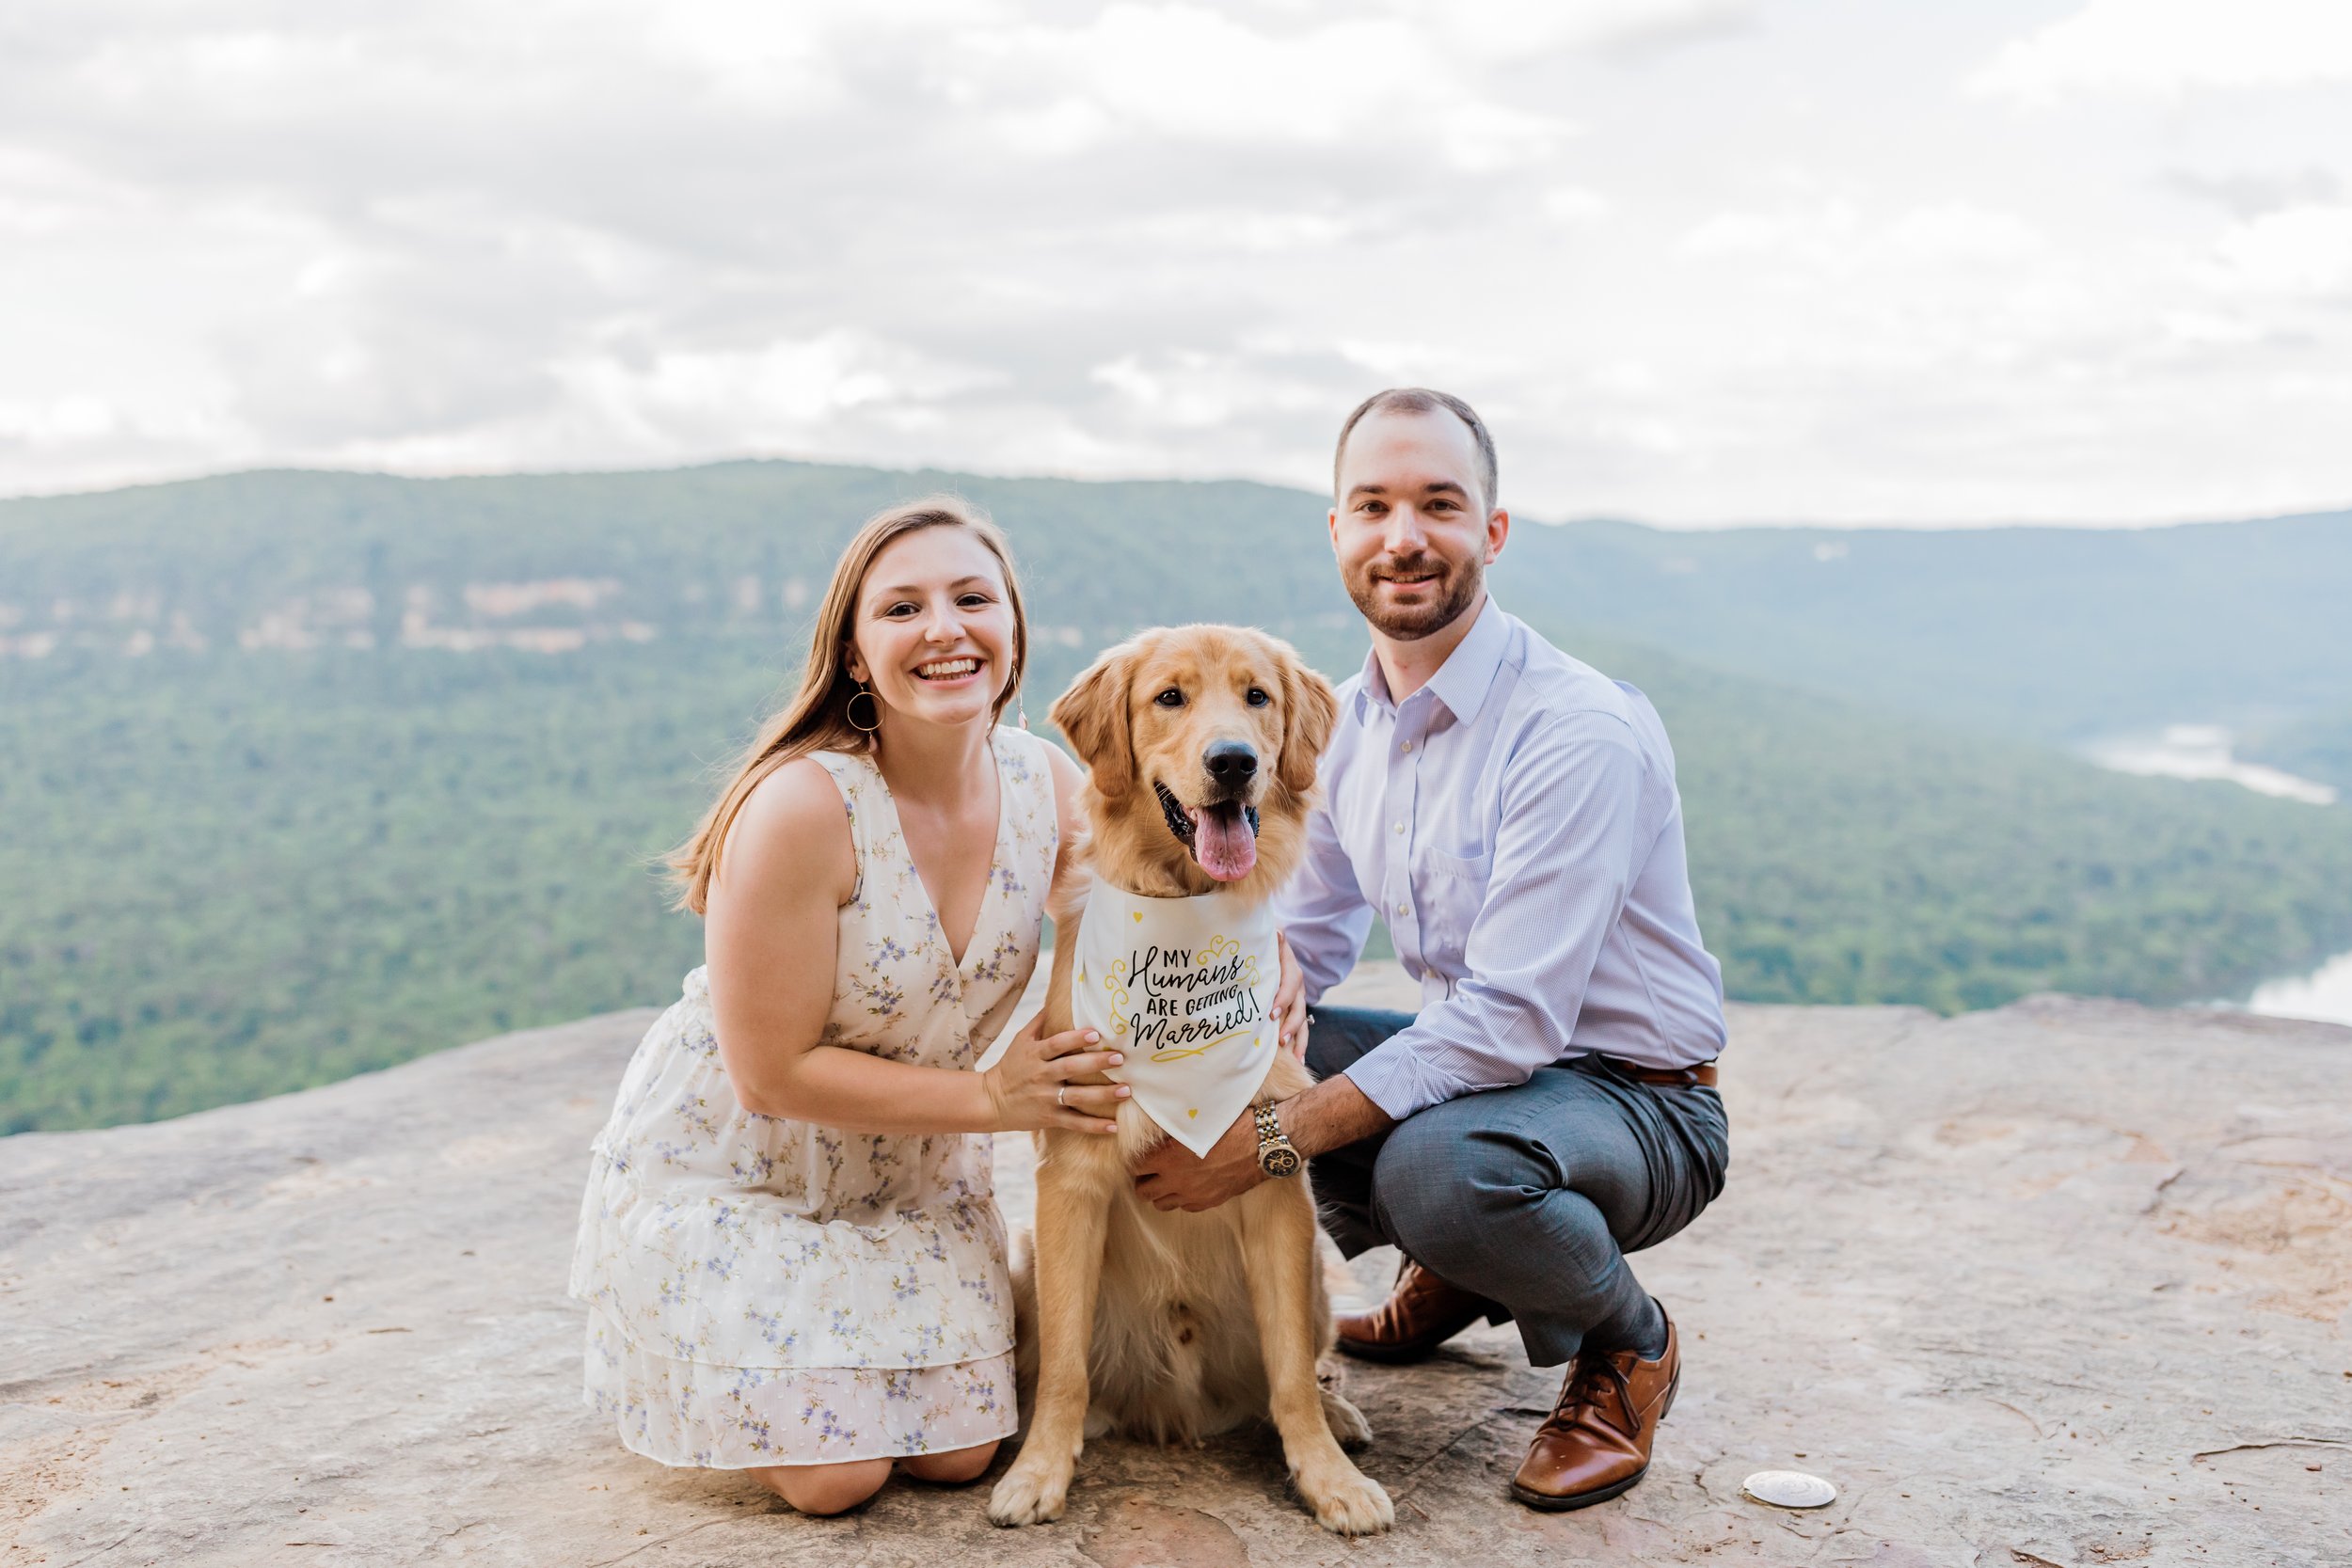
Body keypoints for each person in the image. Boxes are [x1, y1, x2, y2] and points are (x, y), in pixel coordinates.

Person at [568, 497, 1307, 1516]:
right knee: (839, 1476)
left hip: (911, 1175)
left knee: (961, 1451)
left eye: (971, 598)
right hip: (753, 1168)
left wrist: (1268, 971)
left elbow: (1144, 915)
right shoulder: (798, 807)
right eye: (902, 608)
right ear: (858, 655)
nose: (944, 628)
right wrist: (998, 1098)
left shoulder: (1047, 785)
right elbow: (768, 1075)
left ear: (1011, 637)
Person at [1130, 389, 1730, 1513]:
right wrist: (1246, 1013)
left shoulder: (1572, 730)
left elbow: (1507, 1019)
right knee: (1206, 1065)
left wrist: (1260, 1138)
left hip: (1639, 1101)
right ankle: (1460, 1269)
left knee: (1435, 1169)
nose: (1403, 536)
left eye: (1439, 504)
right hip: (1501, 1080)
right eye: (1375, 505)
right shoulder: (1346, 721)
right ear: (1338, 534)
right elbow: (1300, 927)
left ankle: (1625, 1343)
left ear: (1491, 532)